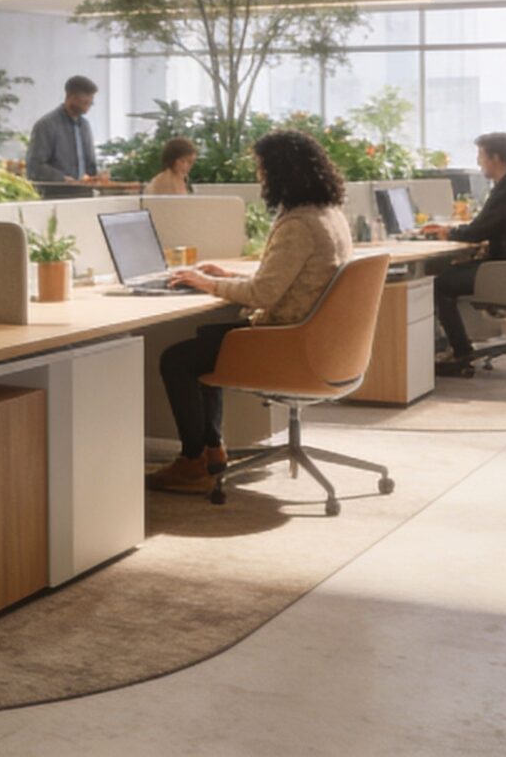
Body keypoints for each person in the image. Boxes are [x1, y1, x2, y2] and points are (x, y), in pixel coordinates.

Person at [146, 130, 353, 493]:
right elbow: (286, 279)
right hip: (312, 337)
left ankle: (192, 460)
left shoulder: (300, 225)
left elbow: (262, 294)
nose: (260, 177)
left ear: (279, 172)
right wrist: (229, 275)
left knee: (177, 360)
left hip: (287, 343)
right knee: (206, 339)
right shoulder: (327, 214)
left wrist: (206, 283)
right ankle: (213, 450)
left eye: (262, 169)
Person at [418, 132, 506, 378]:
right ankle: (452, 346)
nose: (479, 162)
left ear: (496, 158)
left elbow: (478, 231)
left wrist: (447, 233)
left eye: (481, 156)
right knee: (452, 273)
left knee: (440, 284)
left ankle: (460, 352)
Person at [26, 75, 101, 181]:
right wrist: (62, 179)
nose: (89, 104)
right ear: (71, 96)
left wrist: (96, 178)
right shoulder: (46, 125)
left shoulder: (85, 126)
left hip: (84, 194)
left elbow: (90, 166)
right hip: (56, 195)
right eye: (86, 99)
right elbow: (34, 167)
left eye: (91, 100)